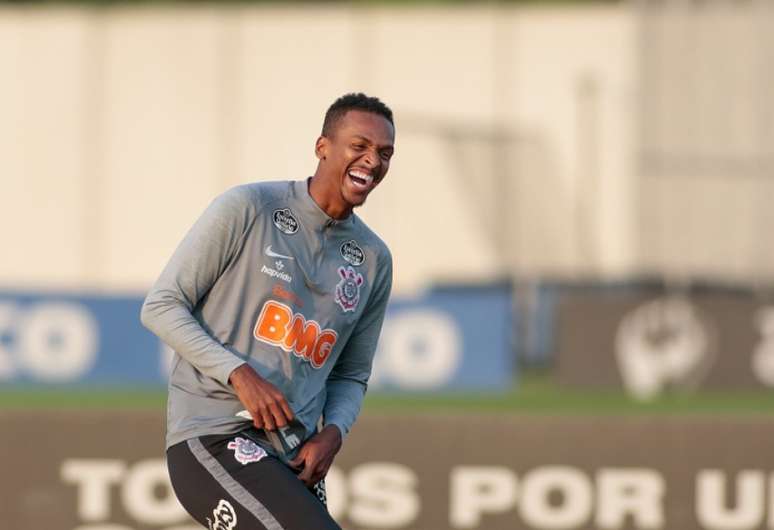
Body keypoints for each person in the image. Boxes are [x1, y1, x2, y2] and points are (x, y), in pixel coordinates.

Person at [141, 93, 395, 530]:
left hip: (293, 453)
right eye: (359, 146)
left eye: (384, 153)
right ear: (322, 147)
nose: (372, 161)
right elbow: (162, 305)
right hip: (214, 433)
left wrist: (333, 432)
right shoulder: (250, 207)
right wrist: (240, 374)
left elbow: (351, 373)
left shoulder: (372, 258)